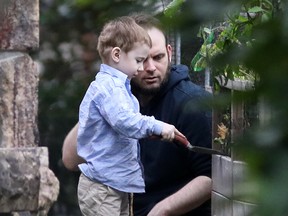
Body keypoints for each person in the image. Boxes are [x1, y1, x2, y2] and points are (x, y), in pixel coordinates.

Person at [62, 13, 212, 216]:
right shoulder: (115, 94)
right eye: (140, 60)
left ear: (170, 52)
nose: (149, 68)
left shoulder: (193, 103)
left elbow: (212, 176)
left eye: (158, 57)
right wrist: (101, 104)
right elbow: (70, 159)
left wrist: (162, 210)